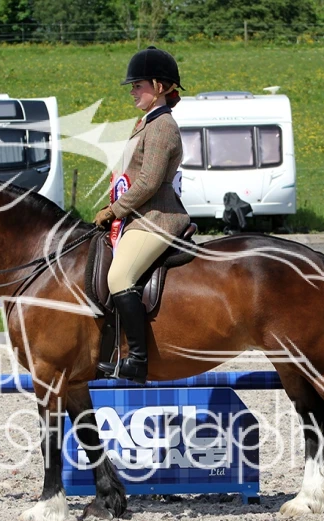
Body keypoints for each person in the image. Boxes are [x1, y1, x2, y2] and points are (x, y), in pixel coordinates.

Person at [94, 46, 191, 384]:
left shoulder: (162, 126)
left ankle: (137, 359)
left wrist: (114, 210)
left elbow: (149, 182)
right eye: (133, 86)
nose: (133, 91)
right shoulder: (146, 123)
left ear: (160, 87)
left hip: (157, 218)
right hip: (140, 215)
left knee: (120, 277)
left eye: (138, 85)